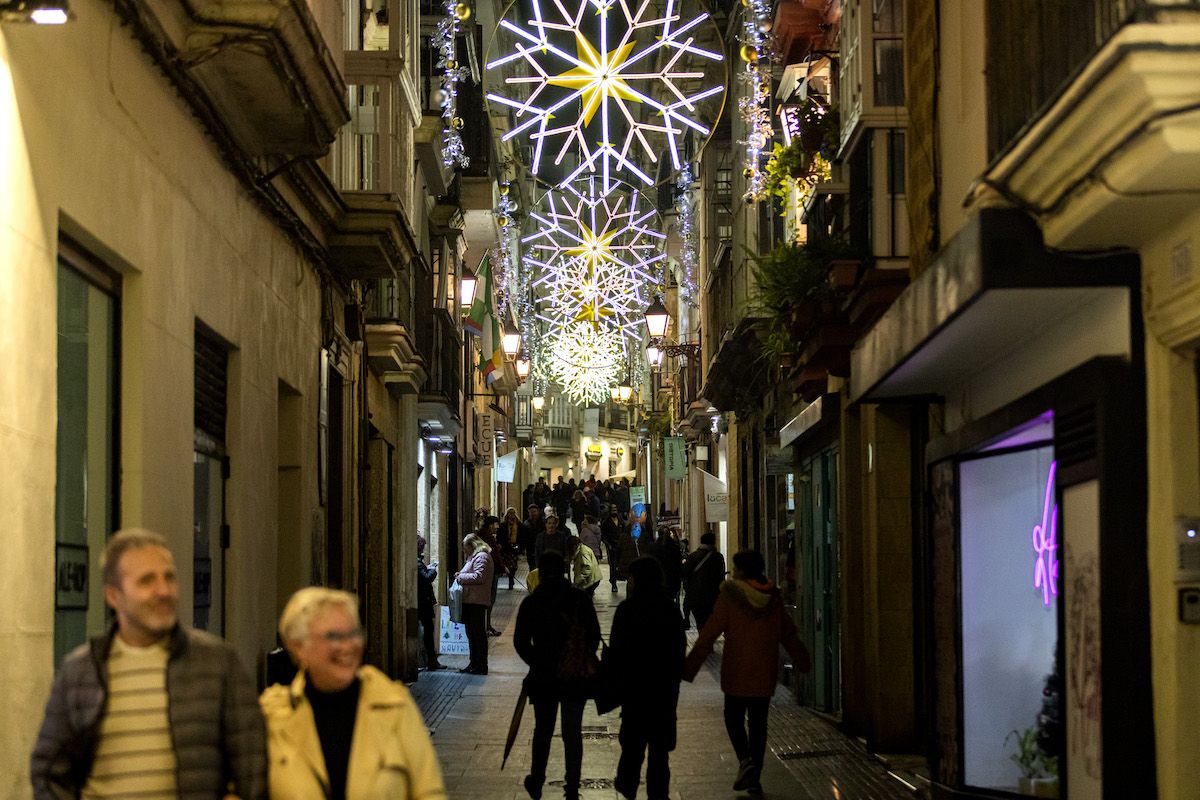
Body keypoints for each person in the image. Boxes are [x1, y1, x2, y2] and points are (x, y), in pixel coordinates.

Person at [31, 528, 266, 800]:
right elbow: (48, 772)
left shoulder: (218, 664)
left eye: (169, 578)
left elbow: (252, 766)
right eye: (146, 581)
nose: (164, 591)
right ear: (113, 596)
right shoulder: (81, 671)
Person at [260, 587, 447, 799]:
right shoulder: (273, 716)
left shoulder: (395, 706)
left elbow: (429, 792)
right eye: (333, 636)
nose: (349, 645)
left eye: (354, 633)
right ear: (299, 647)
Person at [683, 551, 811, 794]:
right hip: (765, 670)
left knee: (733, 718)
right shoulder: (772, 598)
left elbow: (709, 633)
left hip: (737, 670)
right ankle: (754, 775)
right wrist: (803, 661)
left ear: (741, 570)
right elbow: (788, 633)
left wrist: (690, 667)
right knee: (759, 724)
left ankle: (745, 761)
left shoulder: (731, 596)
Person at [513, 552, 601, 800]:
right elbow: (593, 634)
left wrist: (537, 661)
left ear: (540, 571)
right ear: (563, 569)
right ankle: (572, 786)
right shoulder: (579, 598)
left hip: (544, 678)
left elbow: (520, 641)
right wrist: (578, 657)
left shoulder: (532, 602)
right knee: (572, 732)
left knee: (543, 730)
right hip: (574, 677)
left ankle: (537, 780)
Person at [609, 557, 685, 800]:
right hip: (663, 691)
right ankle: (657, 796)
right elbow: (678, 651)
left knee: (632, 749)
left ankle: (627, 787)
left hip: (634, 692)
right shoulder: (670, 609)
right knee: (659, 755)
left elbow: (616, 650)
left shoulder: (627, 610)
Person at [455, 533, 495, 675]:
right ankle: (474, 663)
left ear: (472, 545)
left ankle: (481, 664)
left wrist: (461, 577)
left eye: (465, 548)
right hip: (471, 600)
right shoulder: (474, 557)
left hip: (476, 601)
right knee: (472, 633)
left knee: (477, 634)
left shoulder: (482, 557)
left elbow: (479, 576)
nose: (464, 551)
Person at [681, 532, 725, 630]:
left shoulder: (692, 556)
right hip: (712, 596)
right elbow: (720, 577)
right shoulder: (718, 557)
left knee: (700, 623)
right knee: (710, 622)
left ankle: (703, 638)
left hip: (696, 596)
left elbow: (684, 573)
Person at [417, 535, 444, 671]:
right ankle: (431, 661)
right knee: (428, 631)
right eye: (422, 546)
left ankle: (428, 661)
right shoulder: (417, 562)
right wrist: (432, 570)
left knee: (427, 630)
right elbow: (426, 578)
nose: (423, 549)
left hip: (422, 601)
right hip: (423, 602)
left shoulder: (417, 562)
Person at [477, 516, 505, 635]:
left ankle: (487, 625)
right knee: (489, 600)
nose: (497, 527)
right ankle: (486, 626)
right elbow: (493, 554)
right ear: (491, 525)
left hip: (490, 571)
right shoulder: (487, 536)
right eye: (496, 524)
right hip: (490, 572)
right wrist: (503, 567)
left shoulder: (484, 535)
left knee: (489, 600)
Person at [649, 526, 684, 605]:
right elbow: (678, 565)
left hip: (657, 583)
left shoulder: (653, 548)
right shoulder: (675, 547)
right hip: (672, 583)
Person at [500, 507, 525, 590]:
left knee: (513, 566)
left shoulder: (519, 525)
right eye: (510, 513)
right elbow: (500, 536)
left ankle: (511, 579)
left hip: (514, 548)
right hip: (505, 548)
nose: (511, 515)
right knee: (506, 565)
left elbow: (522, 537)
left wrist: (520, 548)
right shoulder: (503, 525)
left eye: (513, 513)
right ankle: (510, 577)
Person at [524, 503, 546, 570]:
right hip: (531, 550)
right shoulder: (526, 524)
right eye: (531, 512)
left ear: (538, 512)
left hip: (542, 548)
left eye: (534, 511)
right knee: (532, 567)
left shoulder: (544, 522)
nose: (533, 514)